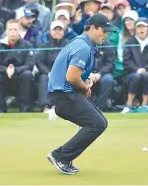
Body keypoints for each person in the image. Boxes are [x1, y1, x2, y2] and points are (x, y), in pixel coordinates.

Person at [47, 13, 116, 175]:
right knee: (96, 124)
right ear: (92, 28)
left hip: (66, 93)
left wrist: (84, 82)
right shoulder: (83, 47)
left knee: (100, 123)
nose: (106, 35)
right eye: (104, 31)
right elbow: (71, 77)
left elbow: (73, 75)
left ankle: (63, 156)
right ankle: (60, 156)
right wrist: (84, 87)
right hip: (64, 95)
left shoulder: (83, 43)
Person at [0, 19, 35, 113]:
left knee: (28, 74)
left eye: (15, 29)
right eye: (10, 29)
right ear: (6, 31)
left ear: (19, 31)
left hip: (20, 76)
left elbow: (29, 64)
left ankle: (25, 109)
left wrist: (15, 70)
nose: (12, 32)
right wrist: (5, 70)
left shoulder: (27, 45)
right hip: (4, 77)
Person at [122, 18, 148, 113]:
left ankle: (145, 104)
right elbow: (126, 61)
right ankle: (129, 104)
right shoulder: (130, 42)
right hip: (131, 73)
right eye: (139, 27)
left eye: (143, 26)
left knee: (147, 75)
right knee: (135, 77)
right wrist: (137, 69)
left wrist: (145, 69)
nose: (141, 29)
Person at [37, 21, 68, 112]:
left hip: (66, 73)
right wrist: (48, 72)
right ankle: (45, 106)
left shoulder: (69, 45)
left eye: (60, 30)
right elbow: (39, 62)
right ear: (50, 32)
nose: (57, 32)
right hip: (49, 73)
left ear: (63, 32)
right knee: (43, 78)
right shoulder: (45, 46)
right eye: (55, 30)